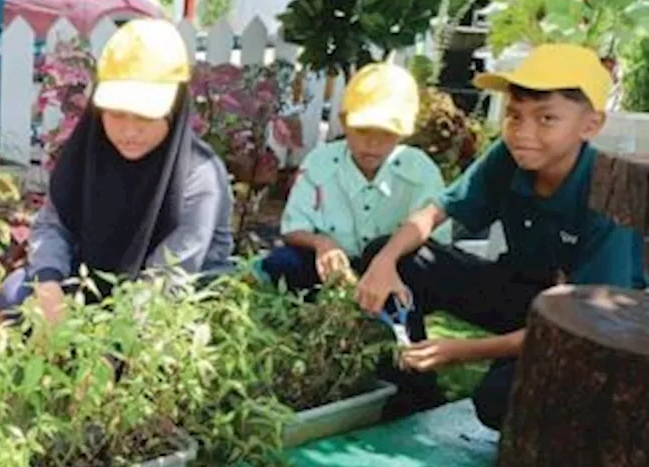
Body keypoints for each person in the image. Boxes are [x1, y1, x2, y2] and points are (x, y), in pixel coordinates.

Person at [356, 43, 646, 430]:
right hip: (524, 295)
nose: (522, 132)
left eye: (546, 119)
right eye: (514, 115)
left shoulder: (609, 192)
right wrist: (384, 262)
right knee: (397, 256)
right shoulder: (507, 157)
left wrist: (463, 352)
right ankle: (412, 389)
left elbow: (588, 322)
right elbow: (435, 211)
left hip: (592, 332)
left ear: (590, 125)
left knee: (498, 400)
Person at [6, 18, 235, 321]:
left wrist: (106, 343)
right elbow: (52, 226)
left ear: (175, 109)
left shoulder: (199, 176)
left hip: (167, 303)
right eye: (116, 115)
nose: (129, 131)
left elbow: (170, 276)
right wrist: (49, 286)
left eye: (145, 117)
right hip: (89, 284)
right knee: (15, 294)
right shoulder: (90, 154)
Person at [260, 62, 448, 293]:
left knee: (420, 266)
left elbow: (436, 244)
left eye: (387, 134)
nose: (373, 144)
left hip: (394, 271)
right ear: (344, 121)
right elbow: (293, 226)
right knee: (282, 262)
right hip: (330, 266)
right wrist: (322, 243)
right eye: (363, 130)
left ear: (403, 134)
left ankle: (400, 317)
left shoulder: (420, 171)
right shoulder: (320, 162)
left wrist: (388, 260)